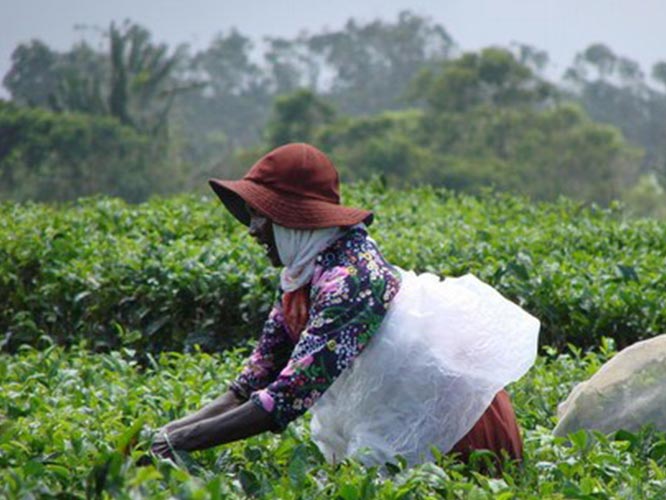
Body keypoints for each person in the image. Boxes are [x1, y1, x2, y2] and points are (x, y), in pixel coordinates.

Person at [151, 143, 539, 468]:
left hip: (454, 430)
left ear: (291, 218)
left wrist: (177, 442)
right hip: (408, 416)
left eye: (259, 216)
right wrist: (165, 435)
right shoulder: (303, 275)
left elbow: (286, 397)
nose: (252, 230)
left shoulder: (350, 278)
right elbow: (254, 381)